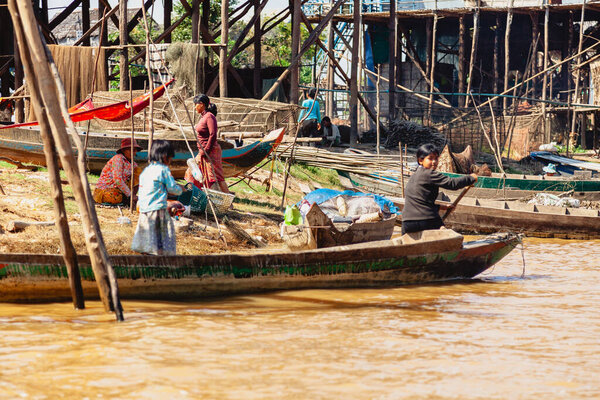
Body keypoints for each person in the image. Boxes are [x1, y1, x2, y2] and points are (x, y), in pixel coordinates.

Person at [401, 143, 478, 235]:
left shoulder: (414, 176)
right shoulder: (429, 174)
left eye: (436, 158)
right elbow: (452, 184)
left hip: (407, 222)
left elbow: (421, 202)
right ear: (420, 160)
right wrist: (471, 178)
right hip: (425, 219)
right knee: (445, 237)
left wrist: (442, 207)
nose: (434, 162)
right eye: (430, 158)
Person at [131, 140, 186, 255]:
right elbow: (172, 189)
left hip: (144, 208)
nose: (170, 162)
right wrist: (181, 189)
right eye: (170, 159)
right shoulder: (163, 170)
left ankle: (145, 254)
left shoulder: (146, 170)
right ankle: (160, 257)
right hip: (157, 210)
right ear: (165, 157)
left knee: (147, 234)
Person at [185, 94, 232, 194]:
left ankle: (227, 202)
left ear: (202, 104)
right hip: (202, 151)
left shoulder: (209, 117)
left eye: (195, 104)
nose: (195, 107)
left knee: (216, 177)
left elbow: (213, 134)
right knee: (191, 172)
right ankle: (194, 195)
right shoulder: (203, 117)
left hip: (210, 150)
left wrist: (206, 150)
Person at [93, 137, 142, 205]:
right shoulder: (118, 159)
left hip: (120, 190)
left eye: (134, 150)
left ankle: (130, 198)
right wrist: (130, 195)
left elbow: (139, 178)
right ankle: (129, 198)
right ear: (124, 150)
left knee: (138, 172)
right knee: (115, 197)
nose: (133, 152)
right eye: (130, 150)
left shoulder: (133, 164)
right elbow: (117, 180)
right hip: (106, 189)